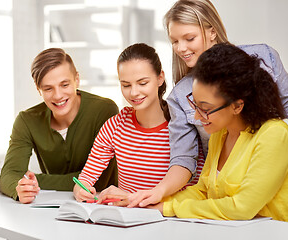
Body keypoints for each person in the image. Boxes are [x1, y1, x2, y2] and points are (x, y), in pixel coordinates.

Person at [128, 0, 288, 208]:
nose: (181, 48)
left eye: (189, 38)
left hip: (266, 181)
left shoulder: (263, 59)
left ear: (212, 31)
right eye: (174, 41)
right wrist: (159, 193)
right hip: (222, 191)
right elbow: (184, 159)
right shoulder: (186, 102)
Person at [150, 43, 288, 225]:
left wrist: (169, 209)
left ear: (237, 105)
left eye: (205, 109)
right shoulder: (220, 134)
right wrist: (151, 204)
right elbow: (202, 191)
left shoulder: (274, 134)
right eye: (195, 105)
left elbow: (242, 208)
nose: (196, 116)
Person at [73, 43, 203, 203]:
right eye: (126, 85)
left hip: (171, 220)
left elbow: (197, 189)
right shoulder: (115, 126)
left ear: (160, 78)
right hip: (127, 221)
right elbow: (86, 177)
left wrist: (131, 199)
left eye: (142, 83)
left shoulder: (183, 127)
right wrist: (81, 189)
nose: (134, 92)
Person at [0, 48, 118, 203]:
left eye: (64, 85)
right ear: (38, 89)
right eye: (48, 88)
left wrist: (39, 181)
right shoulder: (26, 120)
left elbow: (100, 179)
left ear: (77, 80)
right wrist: (20, 188)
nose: (58, 95)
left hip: (103, 206)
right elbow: (9, 173)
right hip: (53, 208)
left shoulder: (104, 110)